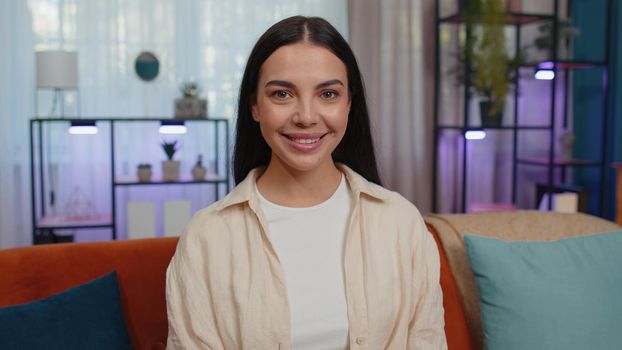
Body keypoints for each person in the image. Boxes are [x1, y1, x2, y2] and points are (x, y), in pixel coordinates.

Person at [166, 15, 447, 350]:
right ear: (254, 106)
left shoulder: (402, 223)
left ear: (348, 105)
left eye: (328, 93)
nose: (307, 117)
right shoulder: (206, 238)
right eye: (282, 94)